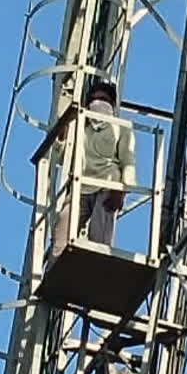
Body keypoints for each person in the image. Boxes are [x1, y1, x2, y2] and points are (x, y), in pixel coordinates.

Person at [51, 81, 136, 258]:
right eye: (94, 99)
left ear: (112, 105)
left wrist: (122, 190)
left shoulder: (120, 128)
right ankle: (55, 265)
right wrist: (62, 136)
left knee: (99, 236)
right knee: (63, 226)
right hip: (80, 186)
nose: (97, 103)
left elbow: (127, 161)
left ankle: (97, 264)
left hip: (107, 184)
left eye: (103, 100)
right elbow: (64, 157)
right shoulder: (82, 130)